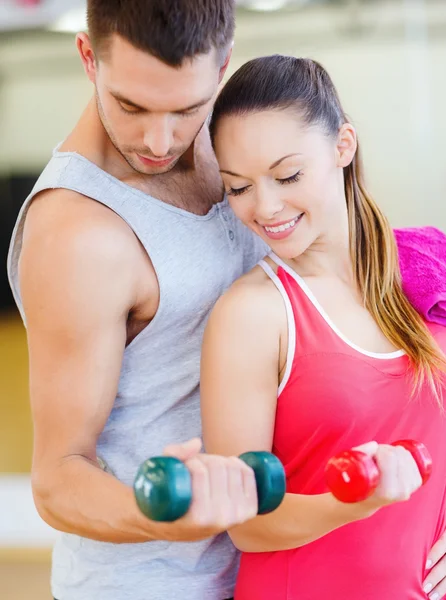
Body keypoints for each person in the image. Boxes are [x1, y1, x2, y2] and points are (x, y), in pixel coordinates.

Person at [201, 55, 446, 600]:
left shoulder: (429, 265)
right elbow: (246, 522)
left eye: (287, 175)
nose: (265, 207)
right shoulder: (252, 312)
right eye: (238, 187)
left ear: (343, 146)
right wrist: (352, 502)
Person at [7, 2, 267, 599]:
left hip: (267, 567)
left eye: (186, 108)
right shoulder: (79, 232)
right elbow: (57, 478)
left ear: (223, 64)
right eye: (131, 105)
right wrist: (168, 515)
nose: (159, 140)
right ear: (88, 58)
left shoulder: (231, 142)